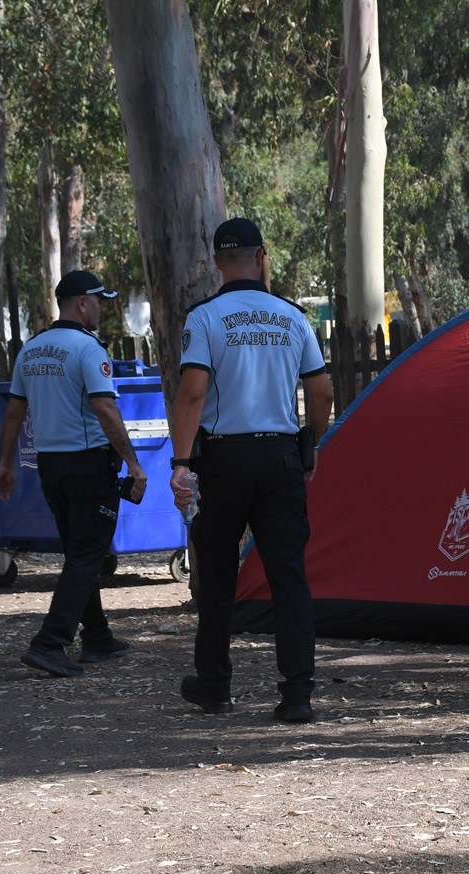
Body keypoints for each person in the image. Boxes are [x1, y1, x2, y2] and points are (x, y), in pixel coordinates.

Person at [168, 218, 335, 723]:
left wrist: (180, 462)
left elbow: (193, 392)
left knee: (218, 575)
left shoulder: (205, 318)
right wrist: (312, 444)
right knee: (288, 576)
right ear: (262, 256)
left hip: (224, 459)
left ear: (217, 261)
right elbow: (322, 391)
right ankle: (298, 692)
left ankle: (216, 685)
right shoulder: (292, 317)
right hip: (281, 457)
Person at [0, 269, 146, 678]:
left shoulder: (33, 349)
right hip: (88, 464)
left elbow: (13, 412)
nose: (102, 309)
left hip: (51, 466)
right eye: (99, 301)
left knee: (81, 552)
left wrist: (6, 463)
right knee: (86, 555)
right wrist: (133, 462)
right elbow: (105, 409)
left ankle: (97, 638)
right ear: (82, 303)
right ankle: (50, 642)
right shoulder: (87, 349)